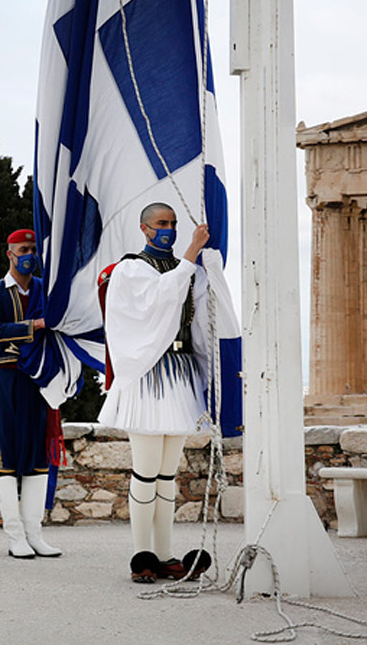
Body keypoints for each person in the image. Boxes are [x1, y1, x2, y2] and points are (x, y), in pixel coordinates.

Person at [98, 202, 233, 583]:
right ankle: (142, 555)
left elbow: (203, 320)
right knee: (144, 471)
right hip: (146, 377)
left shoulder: (188, 272)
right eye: (161, 223)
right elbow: (159, 300)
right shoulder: (130, 270)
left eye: (172, 224)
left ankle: (165, 554)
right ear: (144, 229)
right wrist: (191, 254)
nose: (169, 230)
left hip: (180, 375)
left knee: (166, 474)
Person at [0, 228, 61, 559]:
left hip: (39, 380)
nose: (30, 254)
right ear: (9, 253)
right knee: (6, 456)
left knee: (39, 457)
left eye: (34, 249)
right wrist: (38, 325)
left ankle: (35, 534)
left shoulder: (45, 289)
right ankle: (14, 537)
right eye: (23, 249)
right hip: (8, 379)